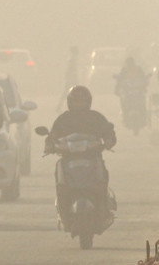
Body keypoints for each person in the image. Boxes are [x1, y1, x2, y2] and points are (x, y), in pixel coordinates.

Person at [45, 86, 116, 227]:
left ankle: (104, 208)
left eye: (82, 102)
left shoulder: (96, 117)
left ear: (88, 102)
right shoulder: (63, 119)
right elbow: (52, 135)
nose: (79, 105)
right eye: (76, 101)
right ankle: (62, 211)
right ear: (70, 102)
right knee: (60, 178)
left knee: (101, 180)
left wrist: (109, 141)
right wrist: (49, 145)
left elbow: (108, 132)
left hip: (92, 157)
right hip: (68, 159)